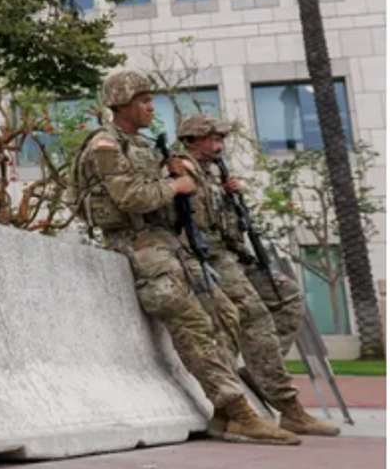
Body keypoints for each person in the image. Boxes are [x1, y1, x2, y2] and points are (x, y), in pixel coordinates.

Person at [73, 71, 297, 445]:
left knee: (225, 313)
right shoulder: (105, 145)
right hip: (134, 242)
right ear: (123, 104)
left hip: (167, 240)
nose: (151, 107)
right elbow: (130, 198)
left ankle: (225, 416)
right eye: (144, 101)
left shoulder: (142, 145)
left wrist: (175, 177)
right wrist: (175, 184)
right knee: (190, 321)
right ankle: (237, 411)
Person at [176, 114, 338, 437]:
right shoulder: (181, 168)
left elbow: (227, 220)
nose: (219, 146)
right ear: (193, 140)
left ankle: (257, 371)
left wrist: (231, 194)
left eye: (221, 139)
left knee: (288, 296)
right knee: (255, 315)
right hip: (208, 257)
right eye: (213, 139)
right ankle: (289, 408)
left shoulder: (214, 171)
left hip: (235, 254)